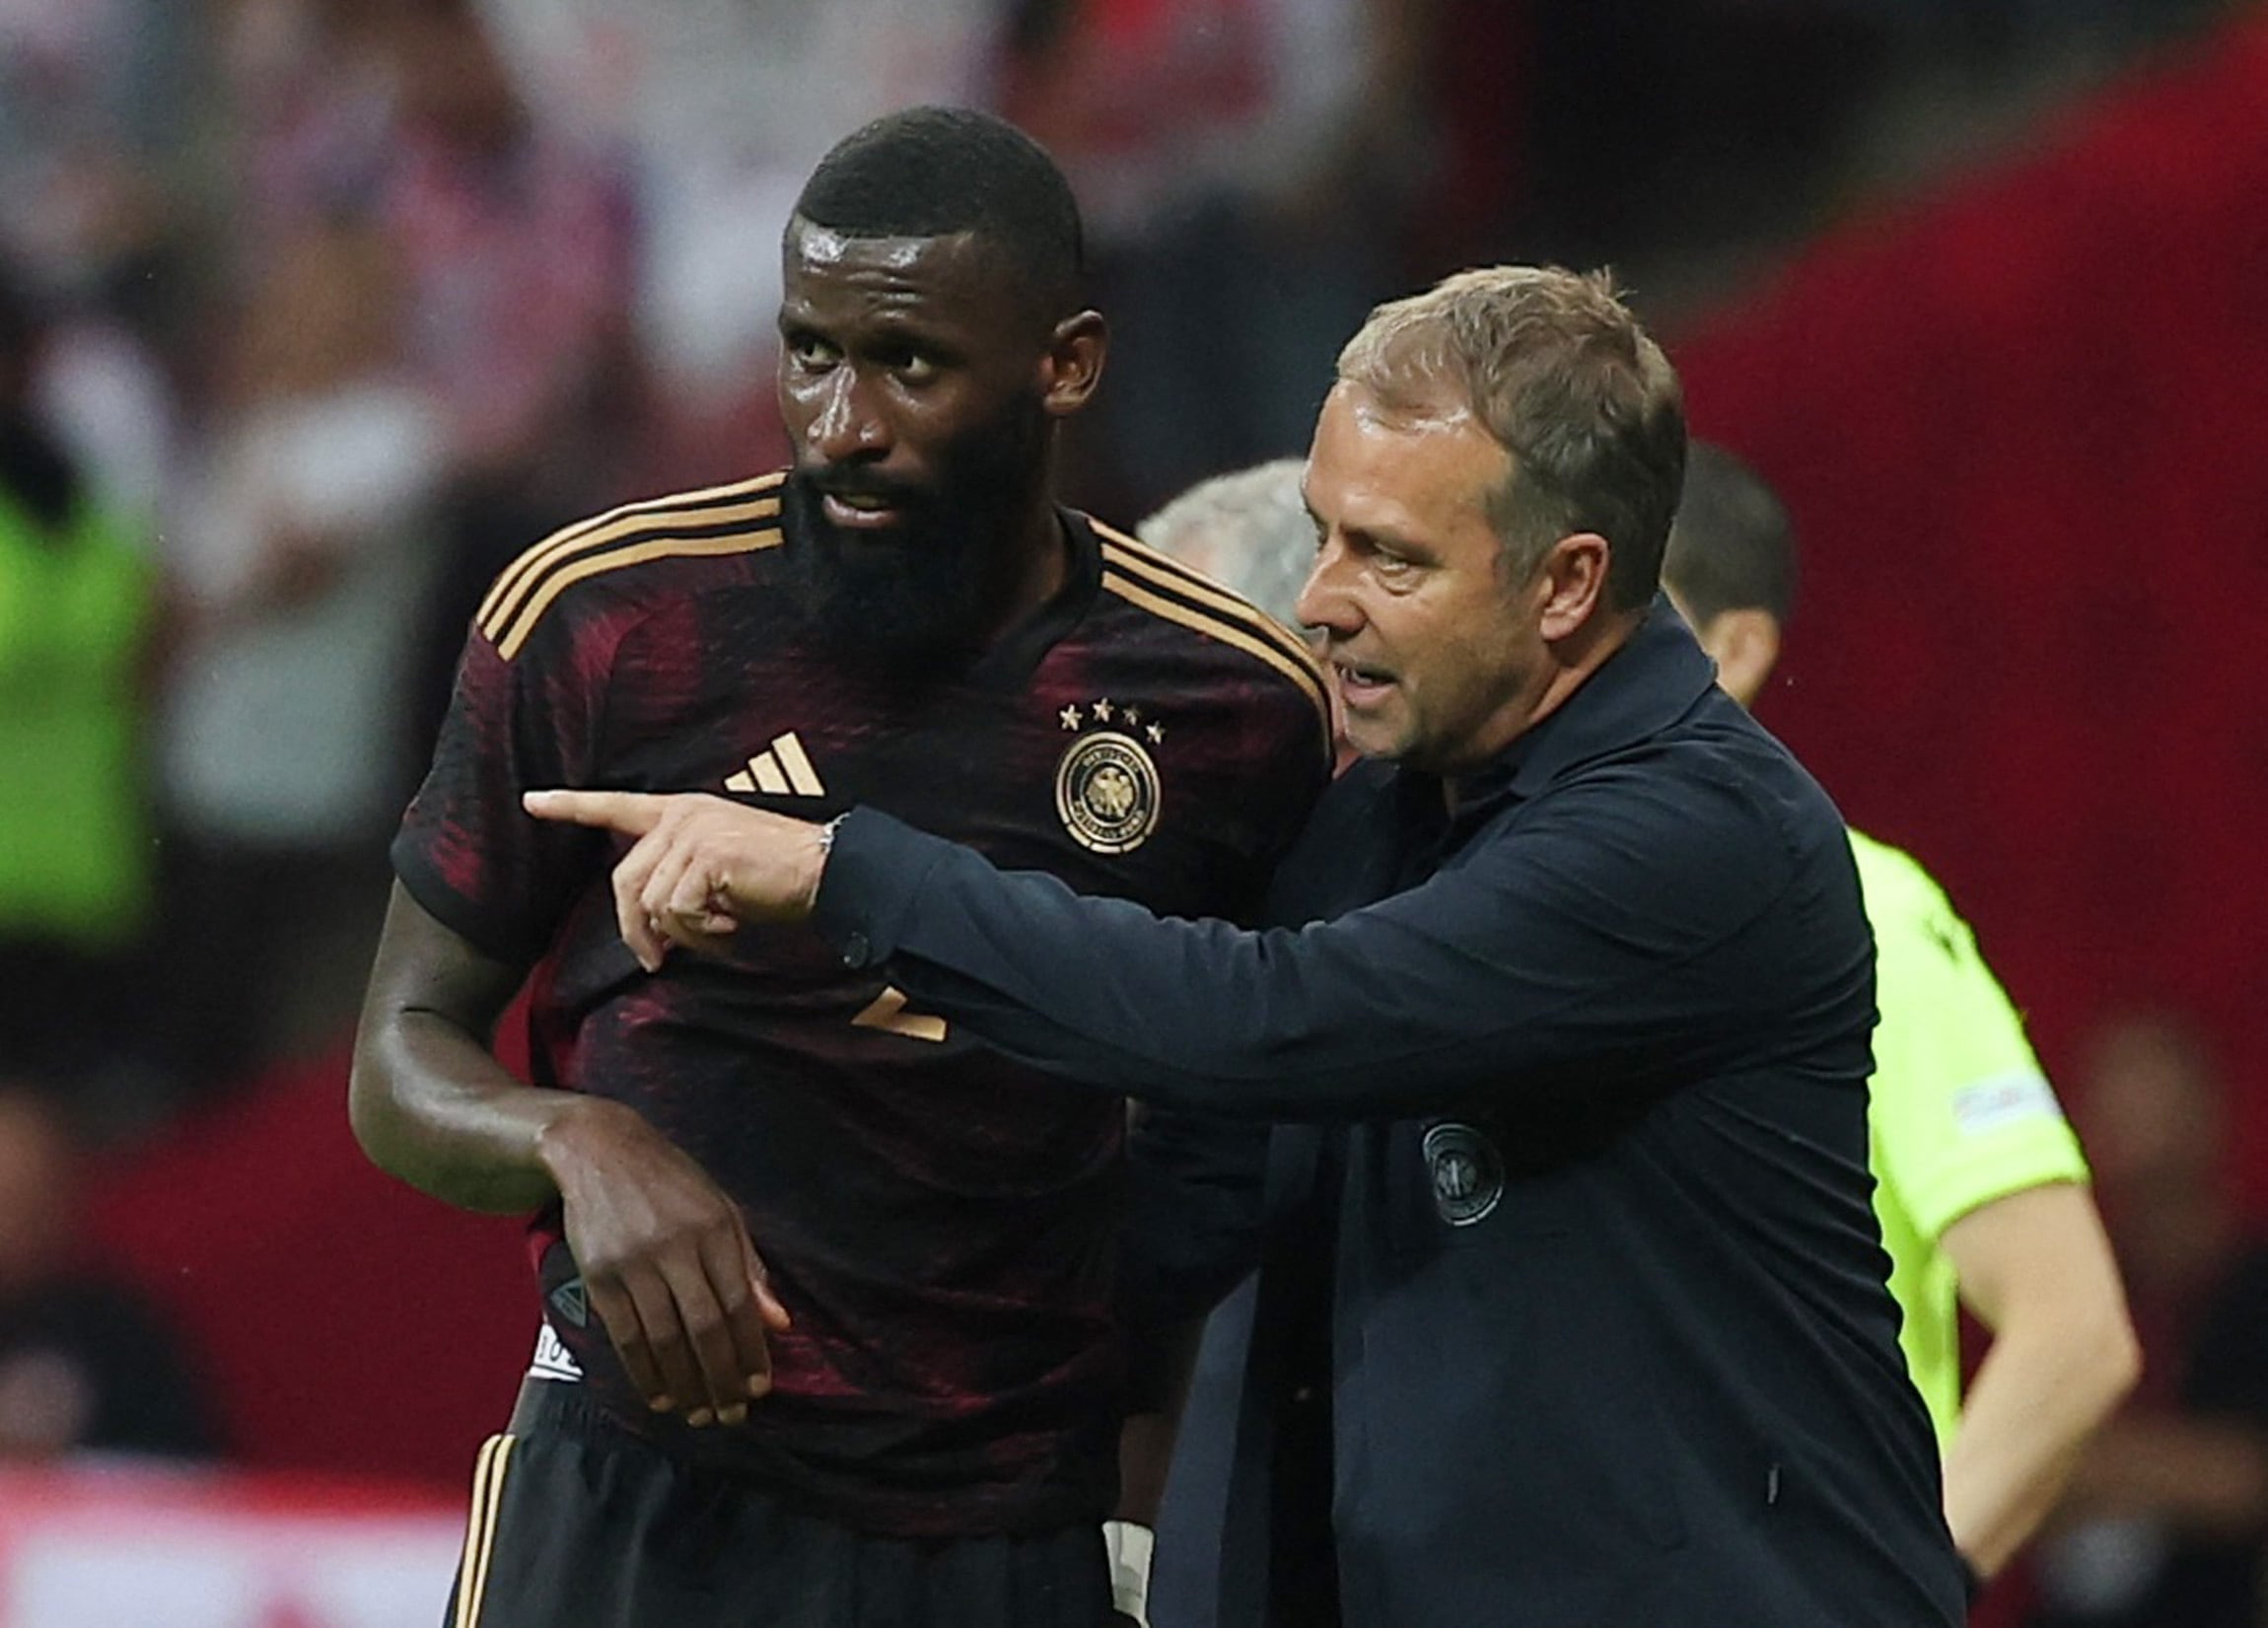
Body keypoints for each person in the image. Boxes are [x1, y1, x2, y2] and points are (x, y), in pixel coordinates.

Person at [528, 264, 1972, 1625]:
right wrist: (811, 1308)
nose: (1320, 597)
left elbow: (1273, 1019)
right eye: (1328, 528)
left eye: (1388, 556)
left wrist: (848, 872)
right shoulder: (1392, 814)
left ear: (1567, 582)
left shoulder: (1694, 834)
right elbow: (1191, 1188)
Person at [349, 106, 1330, 1628]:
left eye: (909, 365)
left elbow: (1260, 1110)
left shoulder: (1234, 706)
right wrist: (575, 1142)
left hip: (1005, 1524)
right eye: (809, 350)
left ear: (1065, 364)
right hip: (635, 1494)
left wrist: (1143, 1478)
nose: (839, 424)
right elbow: (398, 1052)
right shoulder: (606, 618)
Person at [1660, 442, 2141, 1592]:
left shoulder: (1859, 909)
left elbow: (2069, 1330)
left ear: (1735, 650)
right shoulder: (1481, 905)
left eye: (1631, 620)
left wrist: (1888, 1594)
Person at [2027, 1012, 2268, 1628]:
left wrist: (2096, 1465)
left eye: (2154, 1089)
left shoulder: (2250, 1287)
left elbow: (2247, 1476)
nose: (2129, 1114)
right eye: (2108, 1091)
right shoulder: (2066, 1288)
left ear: (2209, 1107)